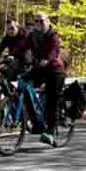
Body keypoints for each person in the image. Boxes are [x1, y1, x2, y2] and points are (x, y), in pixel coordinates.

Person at [28, 13, 66, 146]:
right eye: (36, 21)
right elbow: (23, 48)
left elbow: (54, 50)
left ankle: (50, 132)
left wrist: (46, 60)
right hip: (40, 68)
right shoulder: (33, 35)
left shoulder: (53, 35)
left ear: (48, 21)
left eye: (41, 21)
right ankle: (36, 122)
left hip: (55, 70)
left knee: (52, 100)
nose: (39, 23)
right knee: (23, 85)